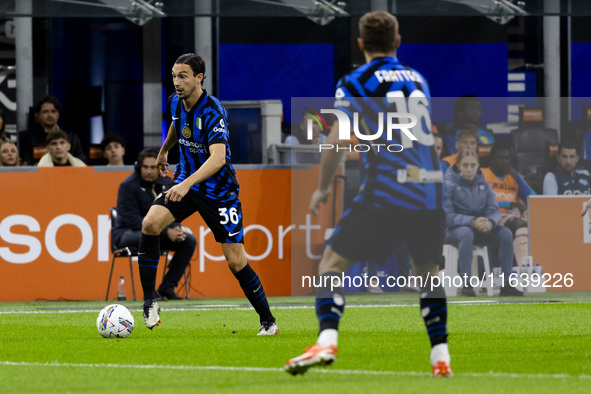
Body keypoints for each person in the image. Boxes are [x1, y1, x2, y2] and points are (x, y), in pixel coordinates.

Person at [284, 11, 451, 377]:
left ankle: (327, 340)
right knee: (428, 276)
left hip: (389, 189)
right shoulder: (417, 79)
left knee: (331, 264)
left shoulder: (356, 81)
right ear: (398, 42)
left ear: (360, 44)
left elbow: (338, 138)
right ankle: (441, 357)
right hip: (430, 190)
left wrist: (323, 187)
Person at [137, 53, 278, 335]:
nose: (176, 82)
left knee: (236, 260)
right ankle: (150, 301)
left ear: (199, 77)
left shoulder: (213, 111)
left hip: (219, 192)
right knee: (150, 223)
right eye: (174, 76)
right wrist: (165, 149)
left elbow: (218, 159)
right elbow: (179, 125)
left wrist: (186, 183)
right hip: (187, 184)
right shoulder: (175, 101)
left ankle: (268, 322)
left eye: (183, 76)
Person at [113, 148, 196, 300]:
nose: (149, 171)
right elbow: (134, 221)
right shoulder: (128, 186)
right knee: (150, 238)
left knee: (189, 240)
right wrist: (166, 232)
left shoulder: (167, 182)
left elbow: (174, 212)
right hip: (127, 233)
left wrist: (176, 228)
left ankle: (167, 287)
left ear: (159, 167)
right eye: (145, 167)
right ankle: (150, 293)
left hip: (157, 233)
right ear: (139, 167)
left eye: (153, 167)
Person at [444, 149, 523, 297]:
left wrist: (491, 223)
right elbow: (448, 217)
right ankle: (466, 284)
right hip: (453, 231)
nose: (469, 169)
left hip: (479, 228)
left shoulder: (485, 186)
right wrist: (471, 221)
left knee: (505, 233)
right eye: (465, 165)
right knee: (466, 233)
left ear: (478, 166)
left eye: (472, 165)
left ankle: (506, 284)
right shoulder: (448, 185)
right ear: (458, 166)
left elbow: (493, 209)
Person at [19, 96, 86, 165]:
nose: (50, 115)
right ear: (38, 115)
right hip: (39, 174)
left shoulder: (71, 137)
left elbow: (81, 159)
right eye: (45, 112)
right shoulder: (26, 137)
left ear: (58, 114)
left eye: (53, 111)